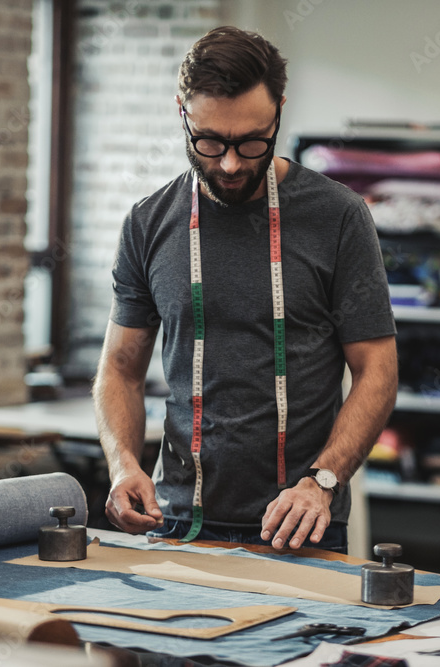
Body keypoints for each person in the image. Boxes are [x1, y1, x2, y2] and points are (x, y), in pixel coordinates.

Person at [93, 26, 397, 553]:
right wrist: (123, 465)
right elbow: (120, 368)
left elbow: (377, 371)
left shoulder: (339, 217)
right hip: (177, 521)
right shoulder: (147, 224)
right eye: (209, 142)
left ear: (279, 111)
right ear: (181, 113)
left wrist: (321, 482)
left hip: (301, 522)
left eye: (252, 141)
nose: (231, 164)